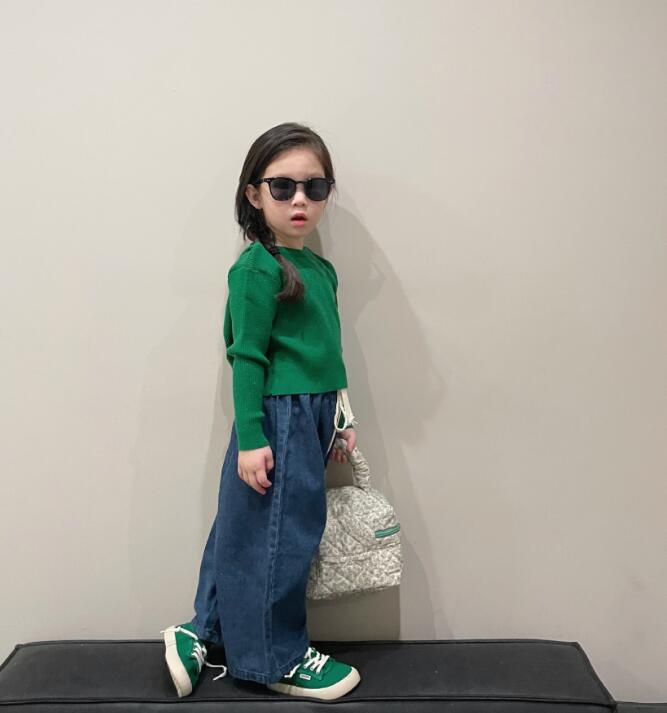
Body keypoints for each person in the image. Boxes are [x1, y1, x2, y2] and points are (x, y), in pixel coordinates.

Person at [160, 122, 361, 700]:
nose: (300, 200)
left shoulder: (320, 269)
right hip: (278, 415)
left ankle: (204, 629)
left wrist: (342, 417)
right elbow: (246, 355)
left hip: (313, 414)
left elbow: (326, 350)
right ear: (253, 194)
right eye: (282, 186)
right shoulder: (257, 268)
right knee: (282, 535)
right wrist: (252, 436)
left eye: (314, 188)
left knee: (246, 526)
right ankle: (275, 658)